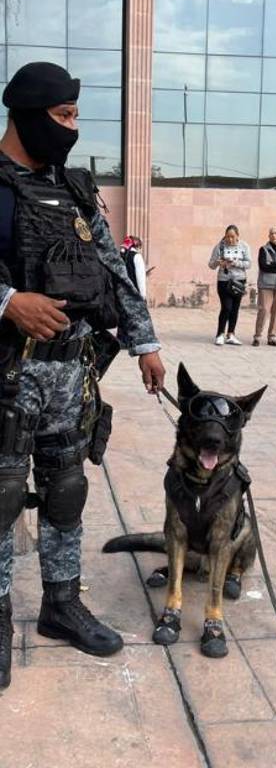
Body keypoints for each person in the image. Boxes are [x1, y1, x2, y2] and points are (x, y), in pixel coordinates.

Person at [0, 61, 166, 690]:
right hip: (7, 378)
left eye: (75, 116)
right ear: (26, 113)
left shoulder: (74, 188)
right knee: (3, 500)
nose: (71, 128)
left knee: (67, 491)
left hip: (72, 376)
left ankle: (61, 606)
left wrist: (145, 342)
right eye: (63, 116)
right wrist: (8, 301)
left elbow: (113, 270)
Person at [208, 224, 251, 345]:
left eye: (232, 237)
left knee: (235, 308)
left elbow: (248, 264)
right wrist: (218, 263)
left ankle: (231, 334)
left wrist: (235, 263)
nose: (230, 239)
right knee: (226, 307)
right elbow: (211, 265)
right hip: (224, 280)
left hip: (239, 280)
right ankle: (220, 334)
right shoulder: (220, 247)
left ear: (238, 236)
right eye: (227, 236)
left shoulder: (244, 246)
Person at [253, 226, 276, 347]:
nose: (274, 235)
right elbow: (263, 266)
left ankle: (272, 336)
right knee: (264, 309)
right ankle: (257, 336)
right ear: (268, 236)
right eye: (271, 233)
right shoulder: (263, 249)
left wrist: (272, 264)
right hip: (265, 284)